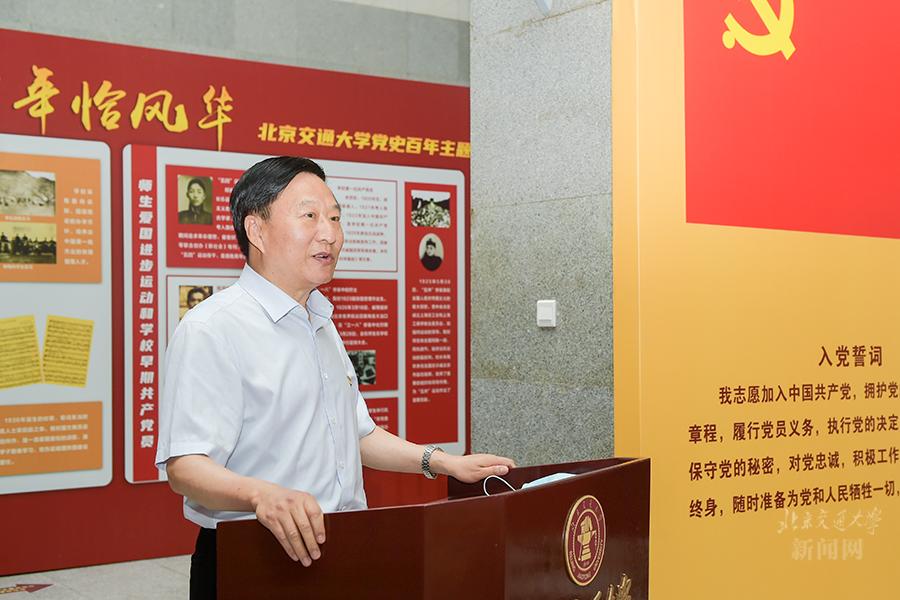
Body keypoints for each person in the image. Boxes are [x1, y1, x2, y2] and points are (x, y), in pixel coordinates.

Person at [156, 156, 514, 599]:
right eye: (309, 216)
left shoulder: (320, 322)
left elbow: (356, 433)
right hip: (253, 556)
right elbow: (185, 467)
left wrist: (443, 463)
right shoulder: (212, 328)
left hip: (341, 547)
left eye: (335, 218)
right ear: (257, 230)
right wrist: (262, 496)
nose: (330, 233)